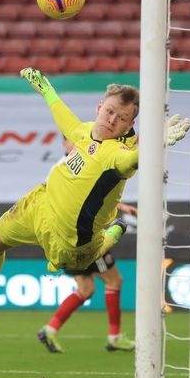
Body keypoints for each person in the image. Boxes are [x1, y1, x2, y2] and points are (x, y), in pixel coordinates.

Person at [0, 67, 190, 314]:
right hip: (39, 208)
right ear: (99, 108)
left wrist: (154, 144)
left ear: (129, 127)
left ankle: (113, 232)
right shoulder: (84, 132)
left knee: (83, 257)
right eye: (109, 111)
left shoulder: (116, 154)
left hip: (70, 243)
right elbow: (62, 114)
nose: (112, 120)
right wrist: (46, 89)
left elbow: (132, 160)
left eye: (121, 118)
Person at [36, 138, 137, 353]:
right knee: (114, 281)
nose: (77, 145)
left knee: (86, 289)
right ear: (64, 144)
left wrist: (122, 206)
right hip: (85, 238)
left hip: (65, 241)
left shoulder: (65, 168)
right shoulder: (67, 168)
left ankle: (50, 329)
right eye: (72, 141)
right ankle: (115, 336)